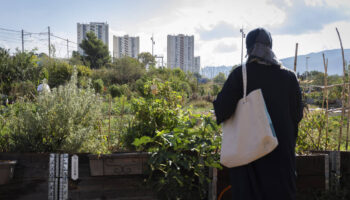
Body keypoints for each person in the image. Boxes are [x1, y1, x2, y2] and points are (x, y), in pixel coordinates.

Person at [213, 28, 303, 200]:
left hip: (249, 163)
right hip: (281, 163)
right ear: (271, 47)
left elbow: (222, 111)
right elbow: (297, 115)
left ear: (248, 48)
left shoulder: (240, 75)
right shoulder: (289, 77)